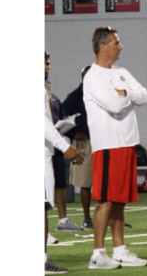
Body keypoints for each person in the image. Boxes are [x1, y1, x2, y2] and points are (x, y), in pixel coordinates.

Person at [83, 26, 147, 269]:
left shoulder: (122, 72)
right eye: (115, 43)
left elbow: (145, 96)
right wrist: (128, 96)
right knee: (106, 200)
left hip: (127, 142)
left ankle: (119, 250)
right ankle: (97, 254)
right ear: (103, 47)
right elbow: (114, 105)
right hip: (108, 145)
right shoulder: (93, 76)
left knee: (119, 200)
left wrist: (126, 93)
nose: (120, 47)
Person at [45, 61, 84, 274]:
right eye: (44, 63)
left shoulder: (52, 96)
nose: (47, 67)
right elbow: (43, 123)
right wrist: (65, 145)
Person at [62, 65, 94, 231]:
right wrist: (74, 133)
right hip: (85, 143)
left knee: (107, 183)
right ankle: (87, 218)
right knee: (85, 183)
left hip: (103, 141)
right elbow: (60, 118)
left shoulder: (102, 95)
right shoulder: (75, 96)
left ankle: (111, 217)